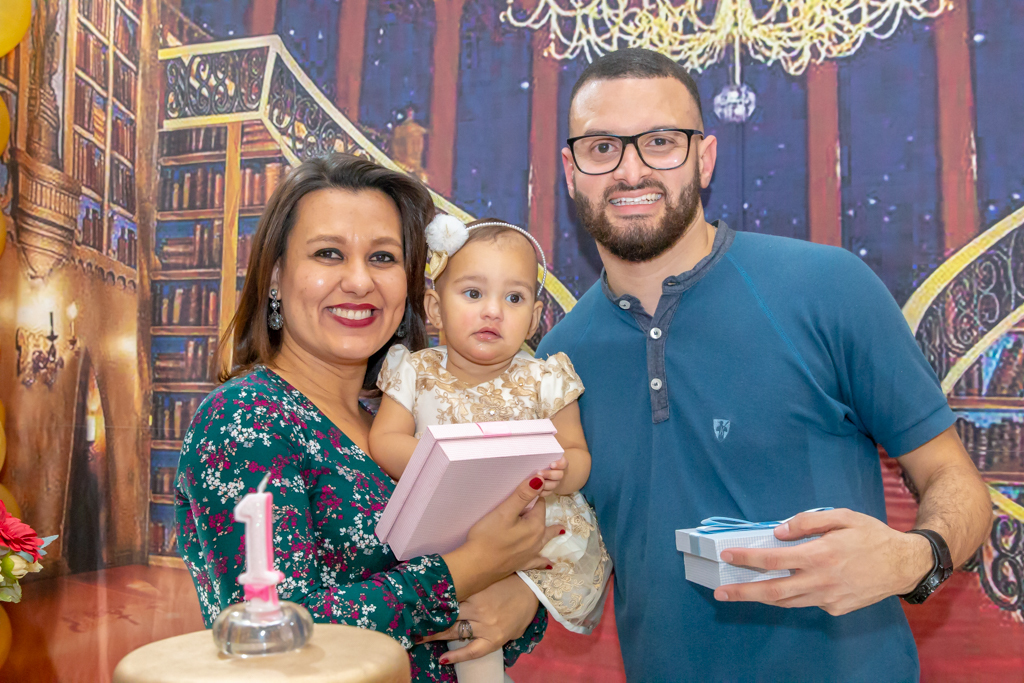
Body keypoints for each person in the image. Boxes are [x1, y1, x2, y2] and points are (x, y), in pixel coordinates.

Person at [535, 48, 993, 681]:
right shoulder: (556, 364)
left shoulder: (830, 287)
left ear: (705, 156)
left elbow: (956, 480)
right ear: (570, 168)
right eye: (602, 147)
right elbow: (549, 546)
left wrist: (913, 559)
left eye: (661, 142)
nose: (631, 170)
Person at [174, 154, 560, 681]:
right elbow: (273, 635)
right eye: (329, 253)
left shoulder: (402, 417)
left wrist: (520, 597)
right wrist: (466, 572)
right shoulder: (244, 419)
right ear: (275, 277)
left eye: (383, 258)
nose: (359, 281)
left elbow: (499, 578)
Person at [368, 216, 612, 646]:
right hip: (444, 521)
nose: (493, 311)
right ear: (434, 307)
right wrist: (447, 466)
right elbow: (384, 440)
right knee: (454, 619)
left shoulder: (545, 378)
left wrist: (561, 471)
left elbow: (577, 452)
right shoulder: (416, 370)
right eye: (473, 293)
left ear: (536, 317)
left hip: (529, 526)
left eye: (514, 298)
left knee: (496, 627)